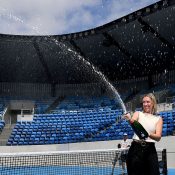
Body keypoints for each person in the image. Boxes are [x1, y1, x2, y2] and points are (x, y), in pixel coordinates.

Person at [123, 93, 163, 175]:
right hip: (135, 148)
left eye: (148, 102)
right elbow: (133, 122)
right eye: (143, 102)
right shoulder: (138, 113)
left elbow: (158, 137)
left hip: (150, 150)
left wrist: (147, 133)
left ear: (153, 103)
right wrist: (129, 119)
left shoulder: (158, 119)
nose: (145, 104)